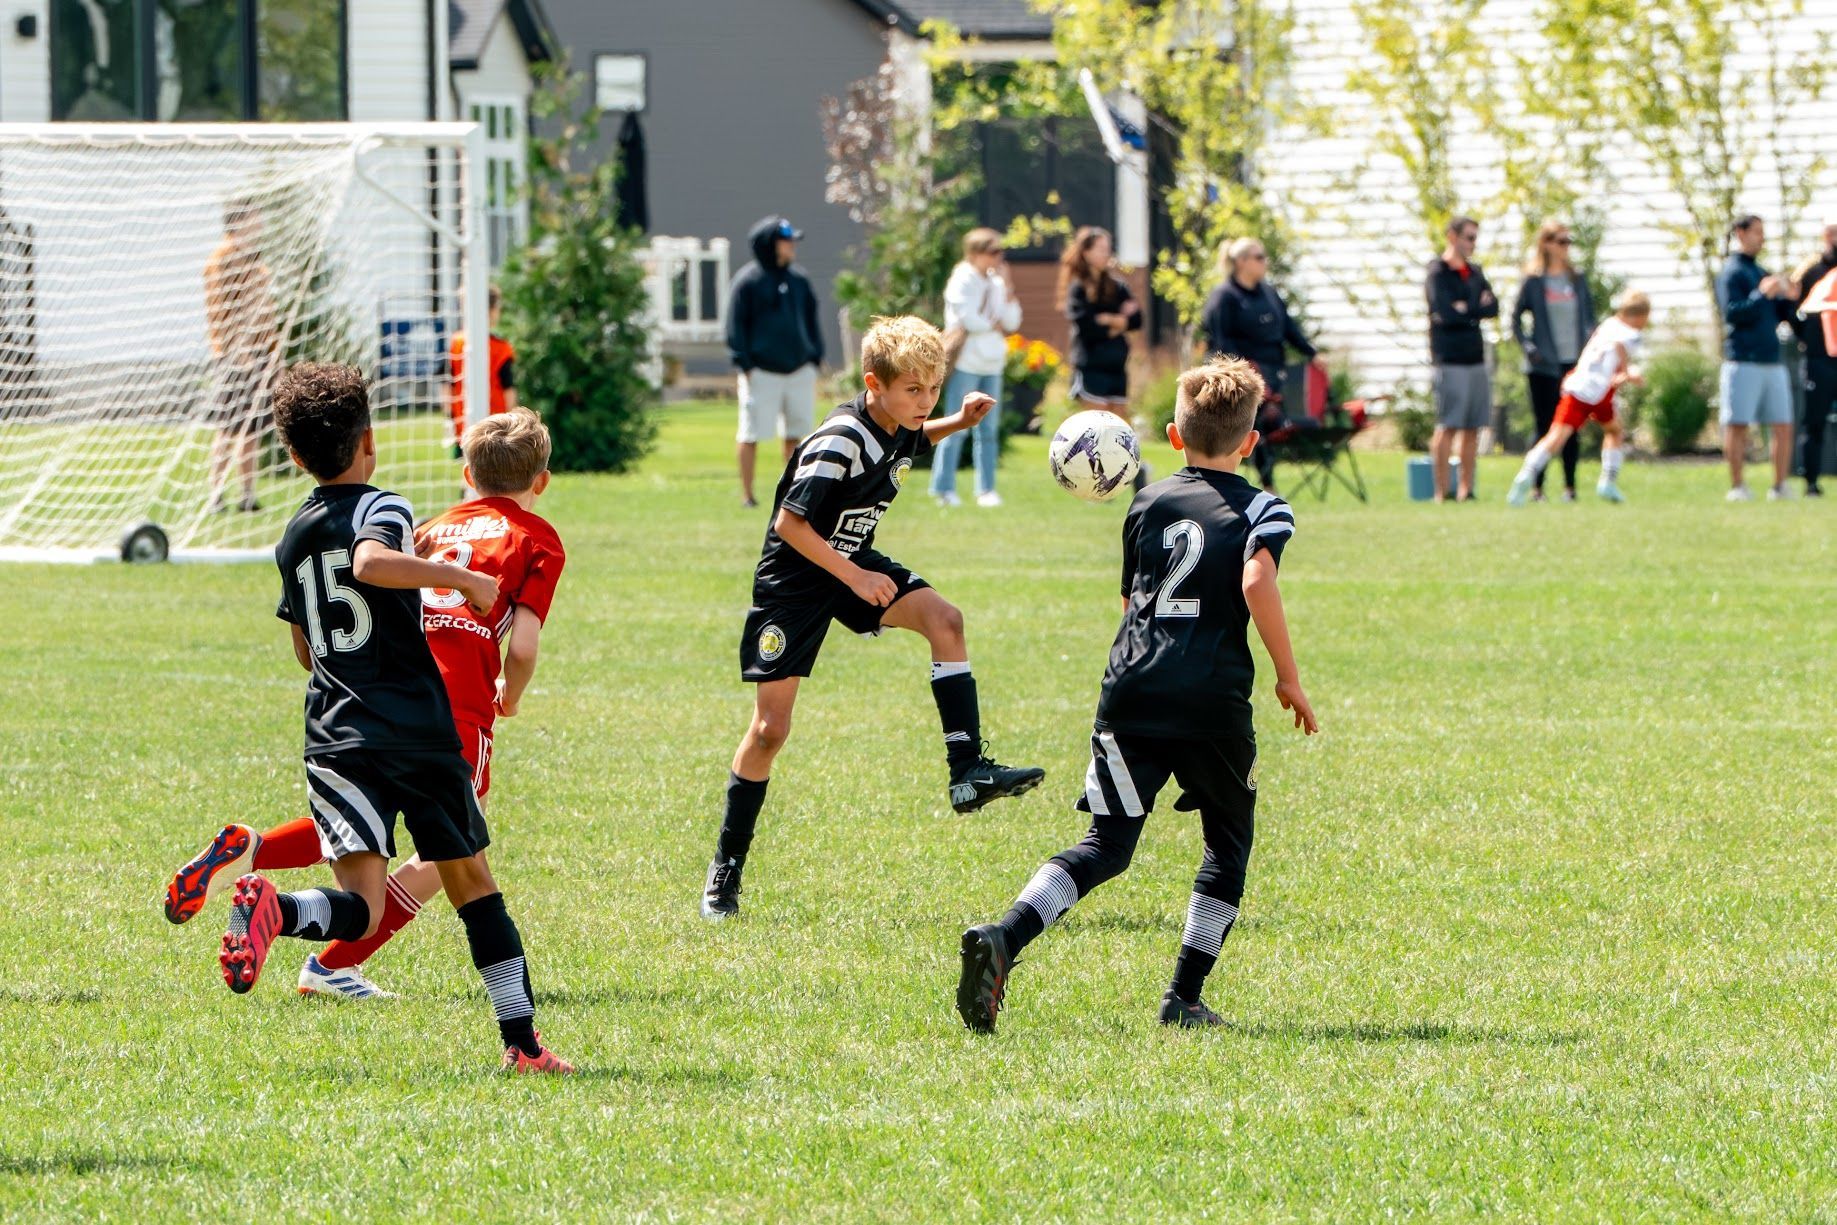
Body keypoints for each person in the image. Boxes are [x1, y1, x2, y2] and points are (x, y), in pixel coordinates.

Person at [203, 363, 571, 1073]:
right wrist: (462, 578)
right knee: (473, 885)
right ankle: (522, 1044)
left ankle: (276, 906)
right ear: (369, 441)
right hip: (419, 727)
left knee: (362, 906)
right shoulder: (387, 508)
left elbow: (305, 649)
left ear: (293, 455)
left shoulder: (292, 534)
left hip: (334, 732)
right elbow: (373, 564)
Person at [955, 356, 1318, 1034]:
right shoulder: (1263, 507)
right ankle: (1183, 997)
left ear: (1175, 438)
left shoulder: (1146, 502)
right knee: (1226, 844)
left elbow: (1131, 604)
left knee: (1106, 845)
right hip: (1210, 699)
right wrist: (1287, 676)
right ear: (1249, 441)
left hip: (1130, 689)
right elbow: (1255, 581)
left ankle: (1005, 935)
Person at [700, 316, 1046, 920]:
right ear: (873, 384)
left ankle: (967, 769)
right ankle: (725, 869)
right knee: (770, 731)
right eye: (913, 390)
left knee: (946, 621)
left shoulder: (898, 420)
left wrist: (957, 421)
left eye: (933, 388)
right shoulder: (840, 440)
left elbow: (912, 438)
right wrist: (855, 578)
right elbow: (789, 524)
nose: (924, 401)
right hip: (796, 582)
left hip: (851, 561)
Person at [1507, 291, 1651, 506]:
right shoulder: (1630, 333)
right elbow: (1620, 345)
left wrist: (1622, 372)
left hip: (1582, 386)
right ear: (1640, 316)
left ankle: (1527, 474)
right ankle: (1606, 481)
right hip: (1593, 391)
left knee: (1608, 430)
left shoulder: (1609, 324)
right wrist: (1629, 372)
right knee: (1562, 436)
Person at [1200, 236, 1317, 491]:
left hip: (1274, 372)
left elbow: (1288, 328)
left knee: (1271, 424)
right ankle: (1256, 485)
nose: (1265, 262)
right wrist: (1244, 373)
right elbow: (1221, 342)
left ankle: (1267, 485)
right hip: (1242, 378)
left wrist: (1312, 353)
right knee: (1254, 425)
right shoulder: (1224, 297)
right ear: (1241, 262)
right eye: (1259, 257)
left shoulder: (1269, 293)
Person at [727, 216, 824, 508]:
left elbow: (811, 320)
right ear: (770, 245)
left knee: (796, 435)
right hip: (761, 372)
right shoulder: (748, 281)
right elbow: (735, 326)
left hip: (799, 370)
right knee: (751, 433)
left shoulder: (799, 280)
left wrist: (815, 357)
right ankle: (748, 495)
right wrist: (745, 364)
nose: (792, 245)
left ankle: (792, 495)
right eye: (786, 240)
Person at [930, 228, 1022, 508]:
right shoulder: (962, 279)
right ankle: (943, 488)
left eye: (1000, 252)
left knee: (988, 430)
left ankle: (986, 489)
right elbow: (968, 319)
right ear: (975, 253)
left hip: (992, 364)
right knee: (955, 425)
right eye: (992, 251)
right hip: (966, 363)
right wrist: (993, 324)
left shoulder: (997, 283)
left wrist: (1008, 288)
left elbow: (1012, 321)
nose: (998, 257)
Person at [201, 198, 279, 514]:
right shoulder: (222, 260)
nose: (260, 222)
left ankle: (247, 495)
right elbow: (220, 310)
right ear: (240, 220)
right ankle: (216, 495)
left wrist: (274, 354)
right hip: (234, 356)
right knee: (229, 427)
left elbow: (266, 314)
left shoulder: (257, 264)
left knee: (252, 428)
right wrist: (237, 348)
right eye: (254, 216)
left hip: (259, 353)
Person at [1510, 220, 1596, 502]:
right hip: (1543, 366)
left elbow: (1589, 318)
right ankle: (1537, 488)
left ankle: (1570, 488)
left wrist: (1591, 348)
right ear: (1546, 244)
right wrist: (1529, 348)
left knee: (1571, 426)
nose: (1566, 247)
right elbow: (1515, 320)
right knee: (1545, 426)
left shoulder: (1576, 279)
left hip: (1574, 365)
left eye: (1568, 242)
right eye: (1561, 241)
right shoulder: (1534, 281)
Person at [1716, 214, 1801, 501]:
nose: (1762, 238)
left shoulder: (1762, 272)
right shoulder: (1731, 272)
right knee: (1738, 424)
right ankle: (1738, 486)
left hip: (1771, 360)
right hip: (1742, 360)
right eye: (1756, 232)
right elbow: (1733, 313)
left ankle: (1779, 486)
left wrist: (1789, 297)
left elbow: (1779, 316)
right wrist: (1761, 295)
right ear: (1740, 233)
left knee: (1783, 424)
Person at [1425, 216, 1499, 502]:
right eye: (1469, 237)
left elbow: (1493, 307)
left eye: (1475, 238)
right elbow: (1444, 312)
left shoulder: (1475, 272)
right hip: (1449, 358)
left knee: (1472, 426)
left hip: (1475, 357)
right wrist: (1473, 308)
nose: (1473, 243)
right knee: (1448, 424)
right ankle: (1441, 491)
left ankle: (1466, 490)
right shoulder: (1437, 272)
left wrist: (1465, 309)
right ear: (1452, 237)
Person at [1790, 218, 1837, 496]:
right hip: (1819, 359)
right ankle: (1811, 482)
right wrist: (1806, 338)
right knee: (1815, 421)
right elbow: (1793, 307)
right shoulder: (1811, 271)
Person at [449, 284, 518, 451]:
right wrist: (513, 419)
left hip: (463, 422)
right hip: (496, 425)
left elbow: (448, 385)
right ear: (491, 311)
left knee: (468, 462)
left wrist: (450, 416)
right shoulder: (501, 348)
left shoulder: (456, 343)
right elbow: (508, 389)